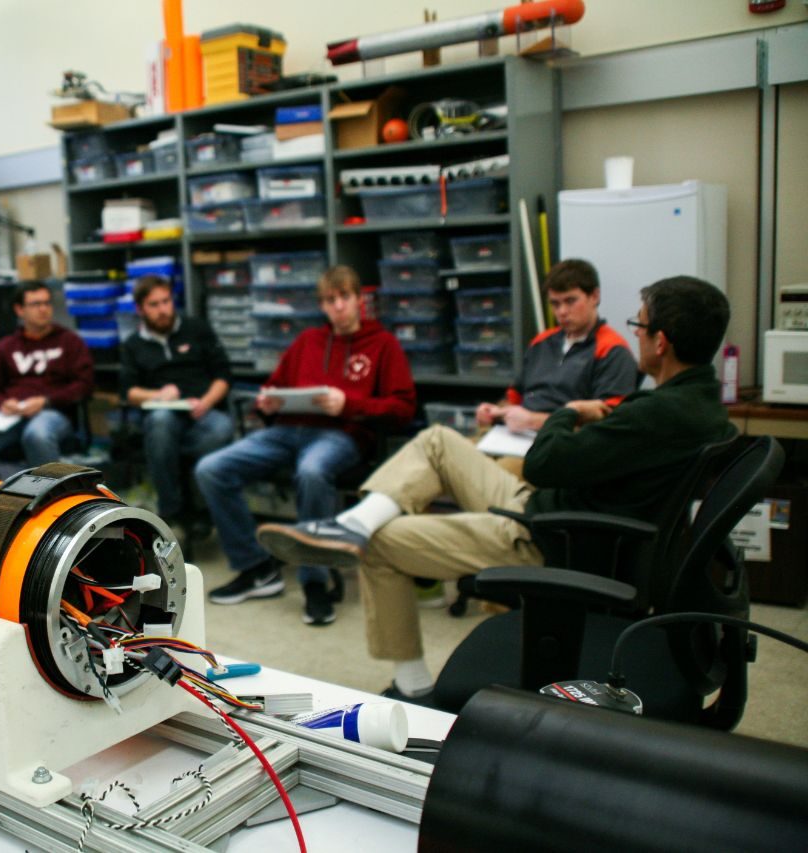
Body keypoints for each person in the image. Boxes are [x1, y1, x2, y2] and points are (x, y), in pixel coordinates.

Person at [256, 276, 733, 699]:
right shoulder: (700, 405)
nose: (635, 332)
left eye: (641, 324)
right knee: (440, 440)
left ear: (662, 342)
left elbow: (544, 464)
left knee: (383, 545)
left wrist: (571, 413)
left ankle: (411, 683)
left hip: (546, 538)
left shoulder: (656, 414)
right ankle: (352, 524)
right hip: (555, 515)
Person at [196, 265, 417, 627]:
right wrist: (267, 404)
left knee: (312, 471)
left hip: (342, 433)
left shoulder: (383, 345)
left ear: (359, 300)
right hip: (287, 430)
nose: (338, 307)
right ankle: (256, 569)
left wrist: (350, 404)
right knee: (212, 468)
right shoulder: (308, 341)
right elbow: (274, 387)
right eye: (329, 301)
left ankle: (315, 582)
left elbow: (403, 409)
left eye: (344, 297)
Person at [120, 274, 233, 531]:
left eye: (166, 301)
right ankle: (173, 510)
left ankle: (192, 494)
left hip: (202, 412)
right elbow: (129, 392)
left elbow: (224, 376)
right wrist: (158, 395)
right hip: (164, 414)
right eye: (154, 305)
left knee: (222, 428)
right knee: (160, 424)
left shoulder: (197, 329)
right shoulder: (133, 345)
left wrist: (205, 402)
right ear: (140, 309)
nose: (163, 310)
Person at [476, 259, 637, 435]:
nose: (562, 312)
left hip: (561, 445)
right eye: (555, 303)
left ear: (595, 297)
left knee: (460, 456)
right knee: (446, 449)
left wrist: (533, 421)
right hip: (512, 435)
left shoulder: (612, 350)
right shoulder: (541, 342)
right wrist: (495, 412)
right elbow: (514, 397)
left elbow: (609, 422)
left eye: (570, 301)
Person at [0, 280, 94, 467]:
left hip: (53, 412)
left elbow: (84, 385)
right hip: (11, 416)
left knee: (37, 435)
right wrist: (3, 403)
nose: (43, 309)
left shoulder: (69, 341)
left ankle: (51, 495)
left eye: (47, 303)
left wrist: (46, 401)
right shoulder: (6, 346)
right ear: (20, 310)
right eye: (36, 304)